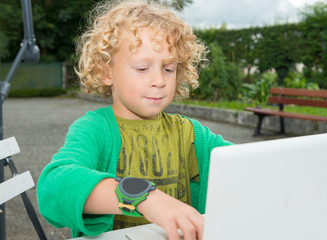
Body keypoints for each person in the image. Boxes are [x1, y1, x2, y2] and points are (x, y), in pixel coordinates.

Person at [37, 0, 232, 239]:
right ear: (106, 72)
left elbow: (245, 166)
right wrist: (143, 197)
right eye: (142, 68)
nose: (159, 80)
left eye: (169, 69)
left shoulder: (191, 133)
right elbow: (54, 186)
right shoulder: (94, 129)